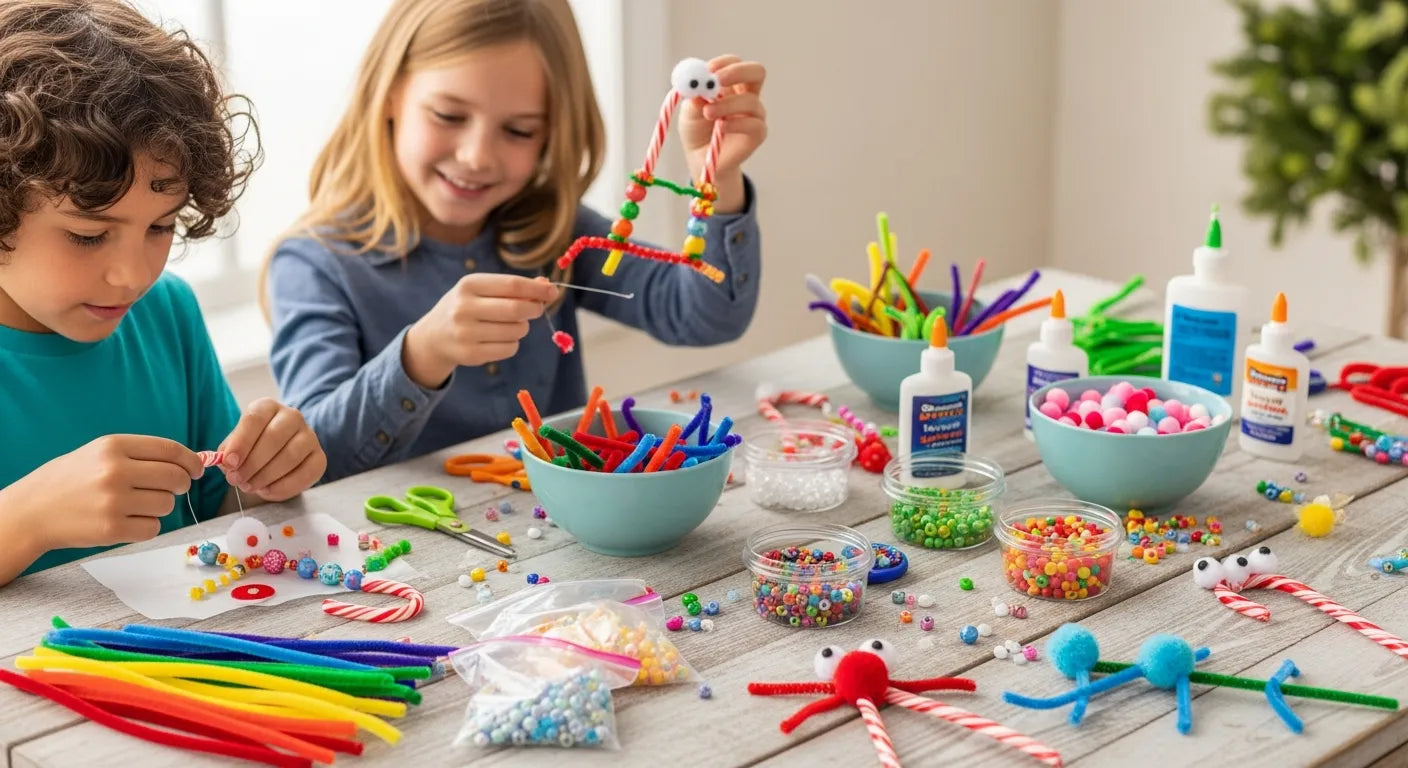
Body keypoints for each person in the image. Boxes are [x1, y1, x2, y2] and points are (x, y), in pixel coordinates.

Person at [264, 0, 768, 482]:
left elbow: (706, 316)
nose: (477, 156)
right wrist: (421, 355)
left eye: (519, 130)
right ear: (390, 93)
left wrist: (716, 177)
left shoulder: (552, 227)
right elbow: (313, 459)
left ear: (550, 134)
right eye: (448, 116)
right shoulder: (315, 265)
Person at [0, 0, 327, 586]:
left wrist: (271, 478)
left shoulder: (166, 313)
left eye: (160, 225)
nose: (132, 275)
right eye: (88, 234)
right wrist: (27, 520)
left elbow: (218, 510)